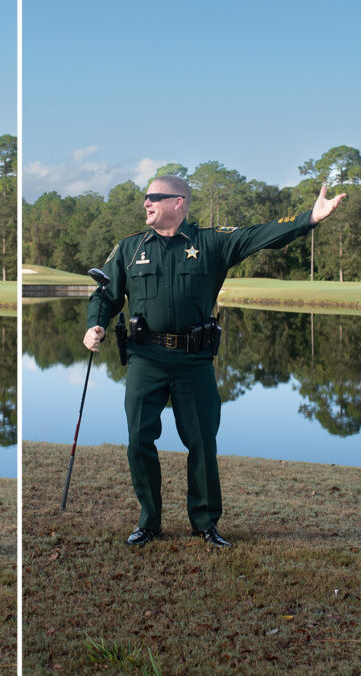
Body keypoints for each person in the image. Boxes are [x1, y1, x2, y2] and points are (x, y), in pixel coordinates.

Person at [84, 175, 345, 548]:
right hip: (145, 358)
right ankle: (149, 521)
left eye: (154, 197)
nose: (146, 202)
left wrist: (311, 218)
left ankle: (205, 523)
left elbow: (260, 235)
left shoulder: (211, 242)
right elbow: (105, 293)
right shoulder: (129, 248)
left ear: (180, 202)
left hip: (194, 360)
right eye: (145, 197)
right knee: (138, 439)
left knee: (203, 442)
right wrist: (95, 325)